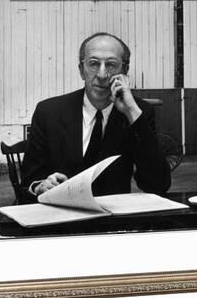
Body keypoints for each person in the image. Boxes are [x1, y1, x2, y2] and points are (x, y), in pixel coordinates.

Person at [20, 32, 171, 203]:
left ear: (125, 71)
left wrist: (132, 114)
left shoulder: (139, 111)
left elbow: (159, 183)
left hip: (112, 219)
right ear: (81, 71)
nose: (101, 74)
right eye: (93, 64)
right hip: (61, 216)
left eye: (111, 65)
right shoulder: (49, 112)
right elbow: (27, 183)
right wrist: (40, 187)